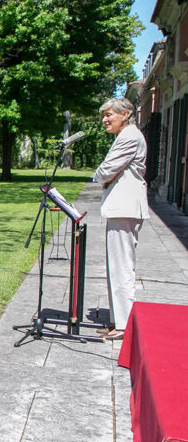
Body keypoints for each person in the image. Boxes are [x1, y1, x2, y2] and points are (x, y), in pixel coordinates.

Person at [92, 98, 149, 341]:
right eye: (103, 116)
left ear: (125, 114)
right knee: (116, 267)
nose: (104, 120)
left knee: (122, 267)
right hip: (122, 208)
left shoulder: (128, 136)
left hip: (125, 207)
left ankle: (125, 325)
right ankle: (118, 320)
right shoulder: (126, 135)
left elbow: (107, 169)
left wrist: (99, 177)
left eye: (109, 115)